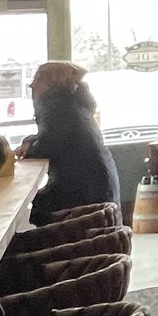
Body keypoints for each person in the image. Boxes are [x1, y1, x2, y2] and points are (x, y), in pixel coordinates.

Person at [21, 61, 122, 227]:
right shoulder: (71, 103)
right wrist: (31, 141)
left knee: (36, 210)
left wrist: (29, 150)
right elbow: (55, 136)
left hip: (85, 194)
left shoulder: (56, 107)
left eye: (38, 78)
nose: (32, 85)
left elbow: (47, 147)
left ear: (53, 83)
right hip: (101, 188)